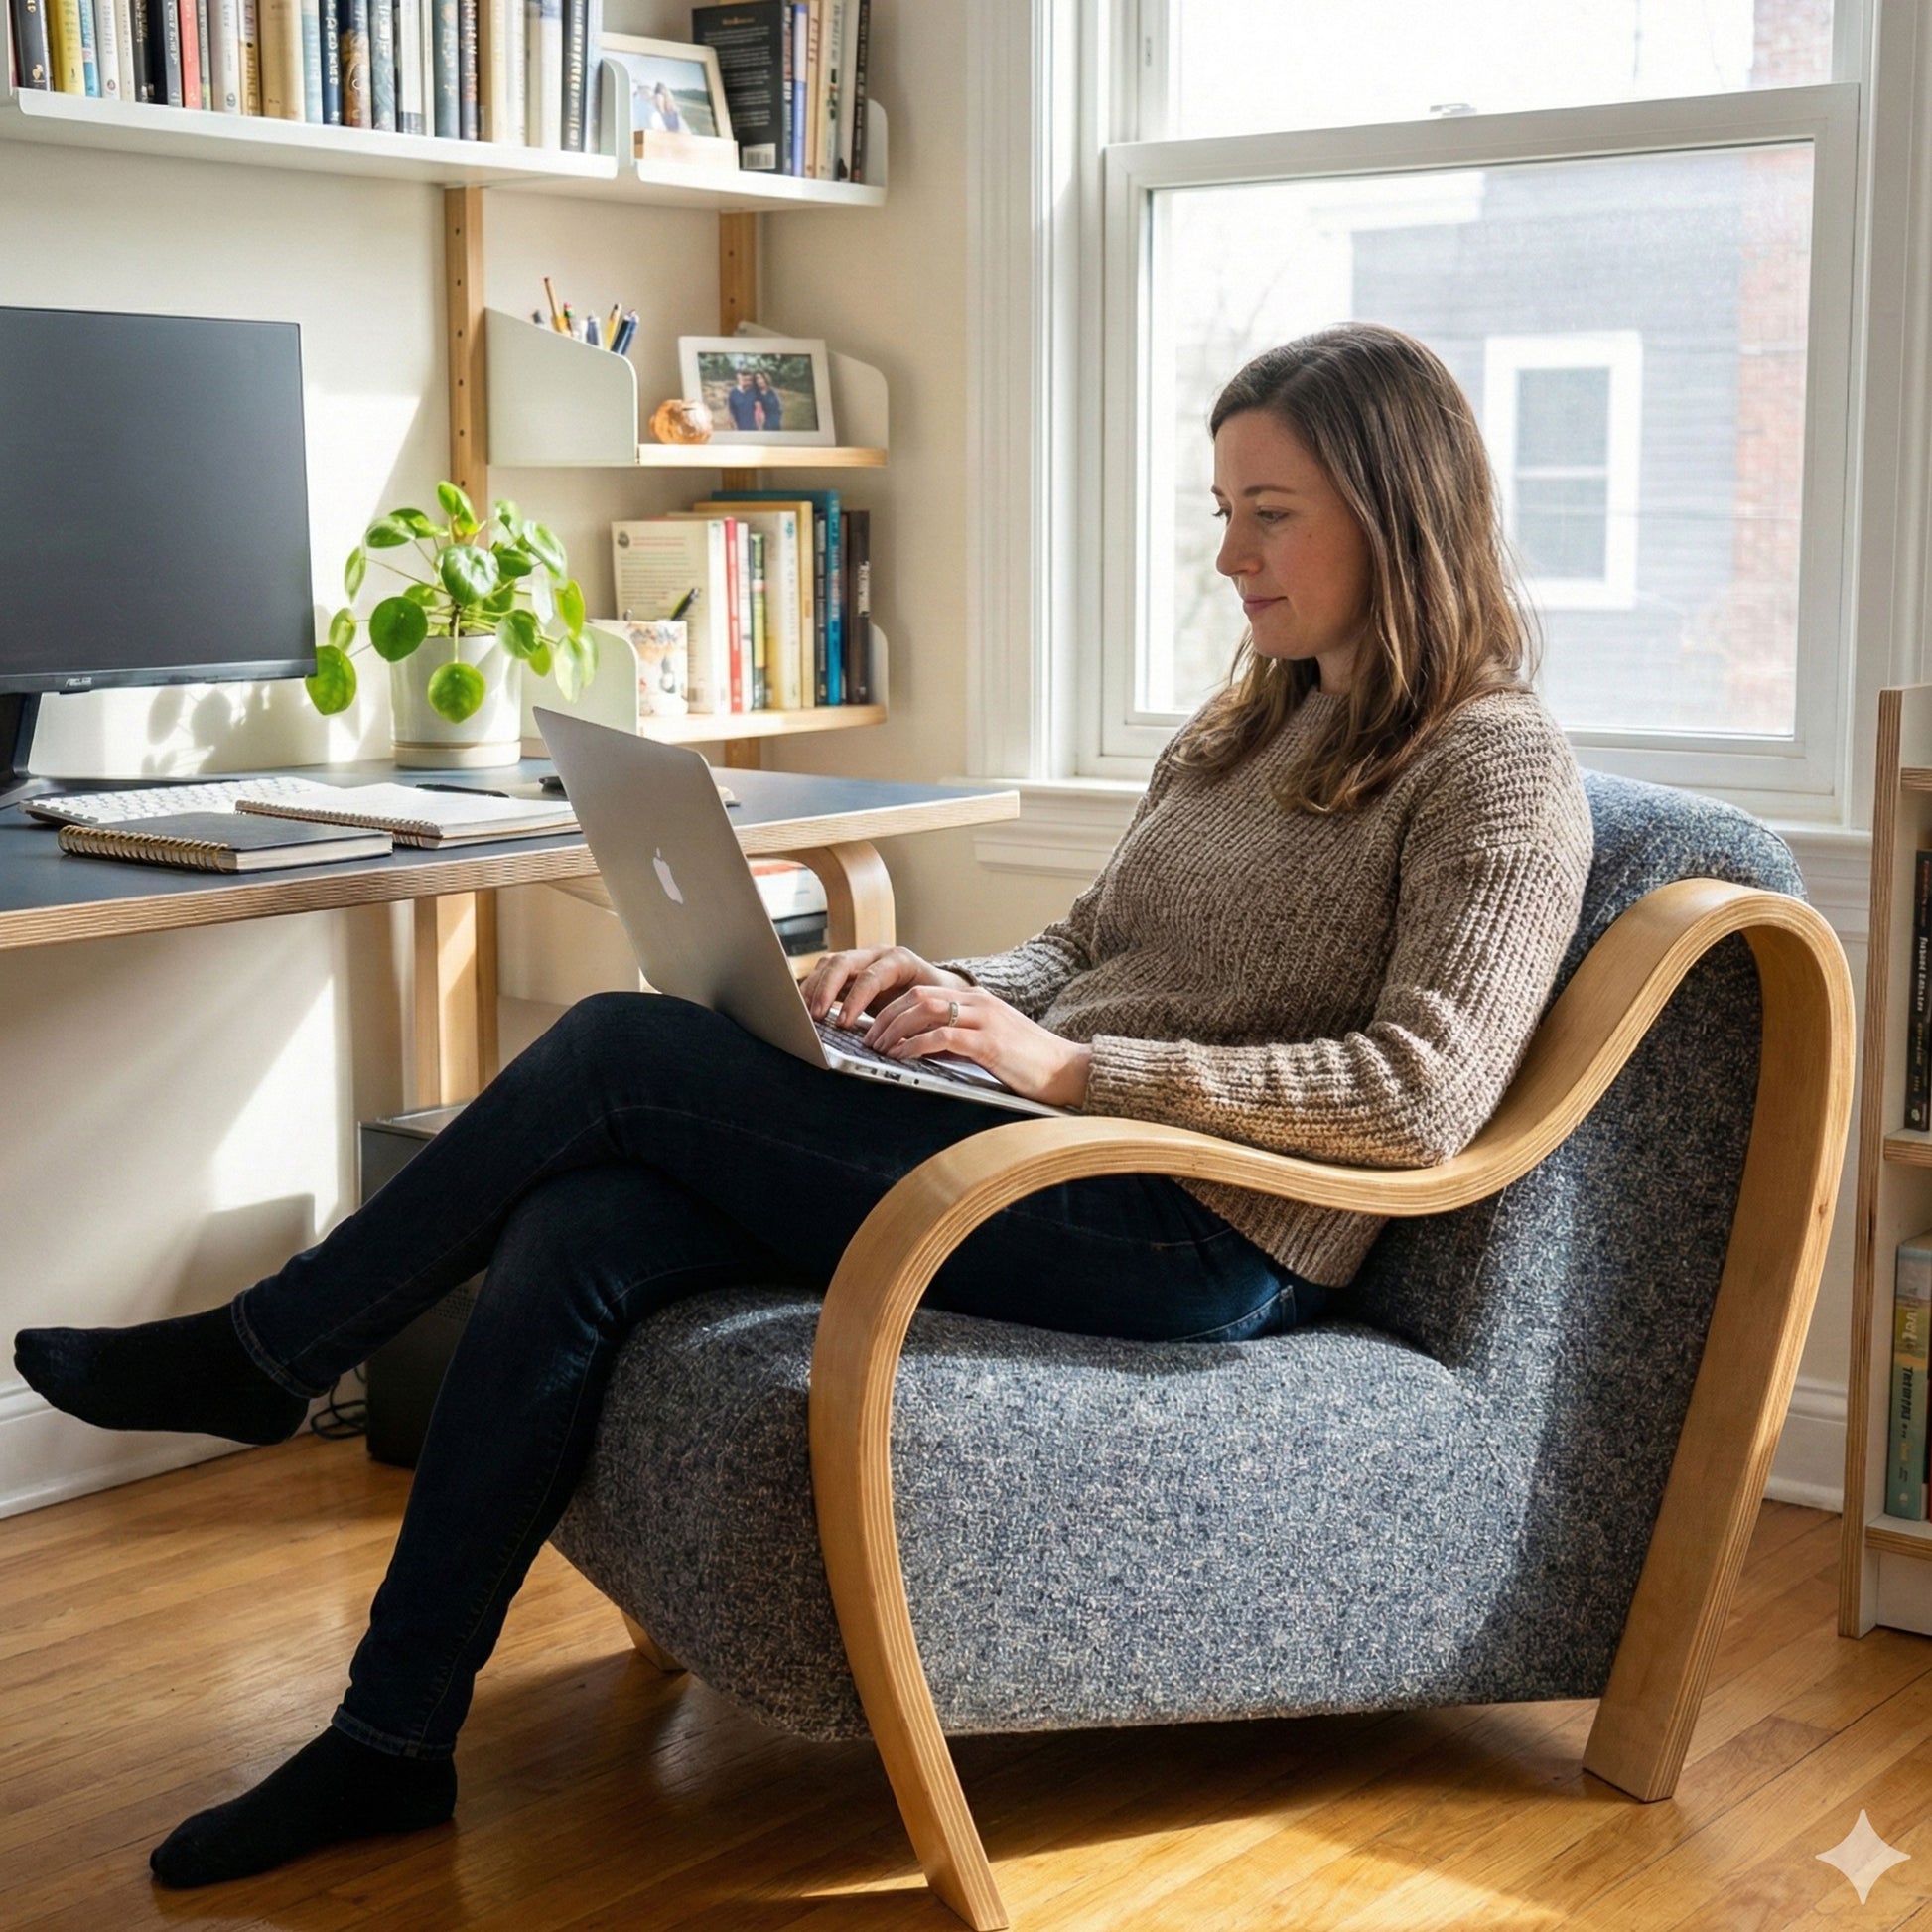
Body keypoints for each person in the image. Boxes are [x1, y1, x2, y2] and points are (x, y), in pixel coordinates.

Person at [12, 321, 1592, 1891]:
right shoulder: (1246, 720)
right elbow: (1085, 948)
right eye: (1221, 510)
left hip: (1195, 1227)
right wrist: (935, 987)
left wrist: (1071, 1070)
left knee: (626, 1050)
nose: (1232, 554)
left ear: (1397, 508)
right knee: (584, 1222)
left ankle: (271, 1352)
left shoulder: (1495, 765)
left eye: (1271, 512)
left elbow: (1420, 1096)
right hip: (1052, 1149)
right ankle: (388, 1737)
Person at [725, 367, 760, 431]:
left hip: (754, 429)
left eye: (749, 380)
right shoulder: (733, 393)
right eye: (744, 380)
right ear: (739, 379)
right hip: (739, 429)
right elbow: (730, 412)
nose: (747, 383)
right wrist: (734, 426)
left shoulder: (754, 391)